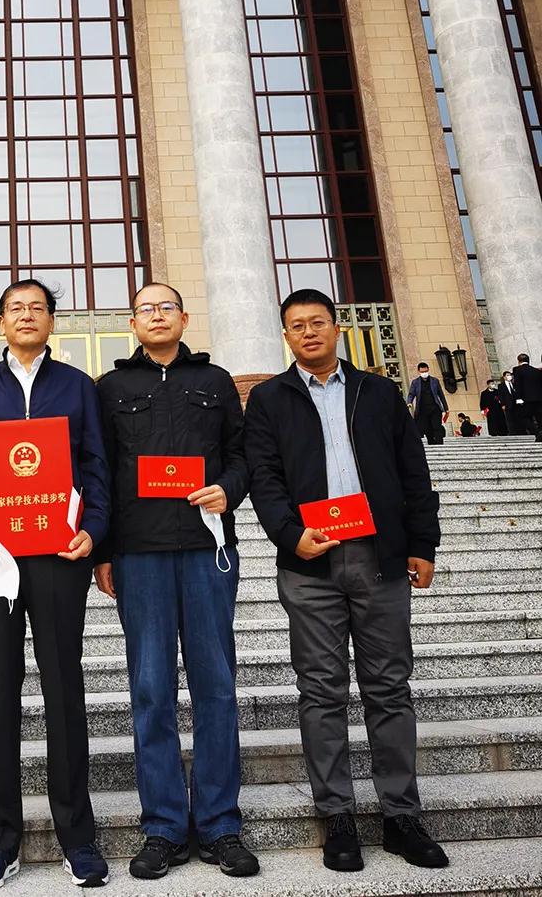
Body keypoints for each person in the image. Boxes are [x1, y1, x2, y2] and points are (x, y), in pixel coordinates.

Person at [245, 288, 447, 874]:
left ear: (337, 328)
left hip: (379, 557)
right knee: (321, 690)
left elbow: (413, 470)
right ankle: (336, 815)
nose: (308, 332)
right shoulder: (269, 399)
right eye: (296, 325)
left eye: (318, 322)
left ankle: (401, 815)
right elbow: (263, 476)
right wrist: (290, 535)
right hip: (311, 562)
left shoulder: (378, 392)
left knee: (389, 687)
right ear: (286, 336)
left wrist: (422, 543)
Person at [0, 278, 111, 891]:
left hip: (60, 555)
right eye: (16, 308)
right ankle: (1, 837)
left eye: (38, 308)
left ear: (52, 321)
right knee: (0, 690)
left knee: (64, 686)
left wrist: (93, 530)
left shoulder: (77, 386)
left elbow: (96, 465)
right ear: (0, 322)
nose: (27, 316)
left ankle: (77, 835)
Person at [94, 283, 259, 882]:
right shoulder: (111, 388)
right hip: (140, 554)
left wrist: (228, 490)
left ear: (184, 318)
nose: (157, 316)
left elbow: (243, 455)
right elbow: (99, 472)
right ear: (132, 322)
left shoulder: (215, 381)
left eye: (167, 307)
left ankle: (219, 824)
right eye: (146, 309)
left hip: (206, 550)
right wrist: (103, 552)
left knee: (216, 686)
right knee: (151, 690)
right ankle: (163, 826)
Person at [405, 362, 448, 445]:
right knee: (427, 428)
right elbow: (411, 394)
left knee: (437, 426)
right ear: (419, 371)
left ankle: (439, 443)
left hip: (435, 408)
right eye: (422, 372)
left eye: (425, 371)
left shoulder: (435, 381)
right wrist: (409, 402)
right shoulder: (415, 382)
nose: (424, 373)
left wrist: (446, 408)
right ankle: (431, 442)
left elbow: (441, 395)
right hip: (422, 409)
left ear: (428, 369)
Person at [512, 353, 542, 442]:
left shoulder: (517, 370)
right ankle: (540, 432)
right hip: (539, 398)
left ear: (519, 361)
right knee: (539, 417)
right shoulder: (536, 371)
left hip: (526, 399)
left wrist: (518, 398)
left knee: (524, 417)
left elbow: (517, 385)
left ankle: (537, 432)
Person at [498, 369, 524, 435]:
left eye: (510, 375)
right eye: (507, 375)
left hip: (516, 404)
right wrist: (503, 404)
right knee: (509, 419)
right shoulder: (501, 386)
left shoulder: (514, 384)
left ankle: (519, 431)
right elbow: (501, 395)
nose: (509, 376)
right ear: (504, 377)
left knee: (517, 418)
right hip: (507, 404)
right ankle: (512, 432)